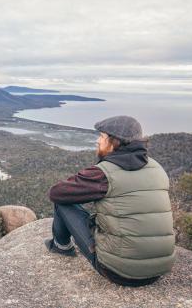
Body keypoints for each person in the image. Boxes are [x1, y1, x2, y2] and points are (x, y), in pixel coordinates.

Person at [44, 115, 176, 287]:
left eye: (102, 136)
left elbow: (56, 193)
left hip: (118, 271)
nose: (98, 141)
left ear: (115, 142)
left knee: (63, 201)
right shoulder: (157, 168)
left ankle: (62, 246)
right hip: (159, 271)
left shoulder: (103, 174)